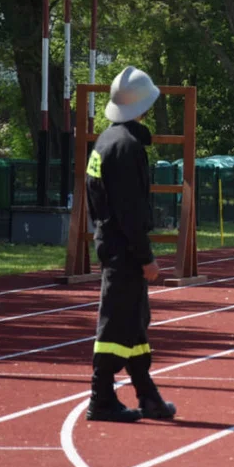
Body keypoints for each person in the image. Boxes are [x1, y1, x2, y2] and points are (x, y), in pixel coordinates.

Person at [84, 66, 176, 423]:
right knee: (115, 324)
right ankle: (101, 397)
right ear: (144, 104)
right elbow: (131, 211)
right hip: (123, 248)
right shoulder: (128, 147)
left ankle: (147, 394)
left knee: (135, 322)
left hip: (110, 241)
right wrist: (146, 257)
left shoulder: (106, 140)